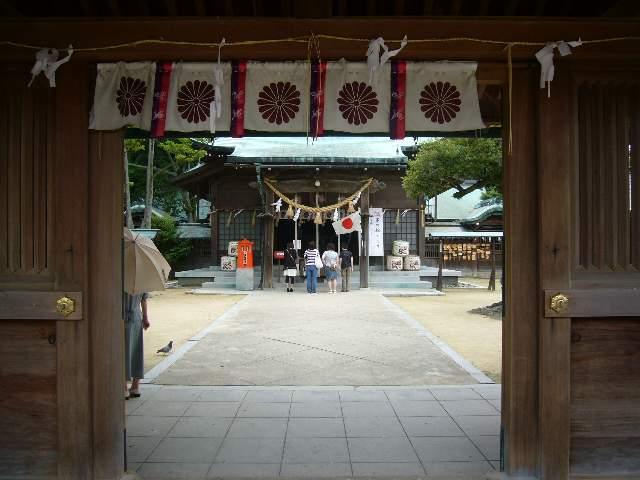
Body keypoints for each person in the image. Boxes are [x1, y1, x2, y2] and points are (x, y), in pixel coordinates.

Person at [124, 292, 149, 399]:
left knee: (122, 353)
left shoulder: (119, 283)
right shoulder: (140, 283)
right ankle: (135, 386)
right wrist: (145, 318)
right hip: (136, 317)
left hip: (121, 317)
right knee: (137, 351)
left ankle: (124, 388)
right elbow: (144, 299)